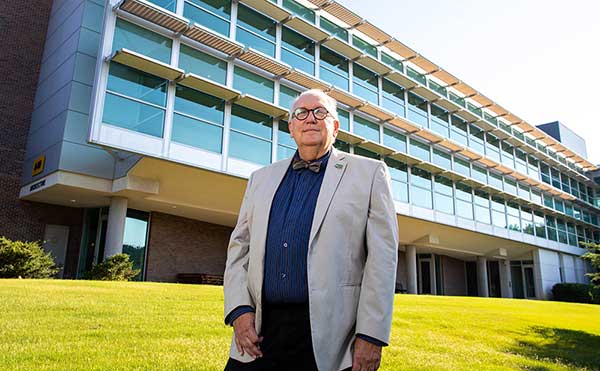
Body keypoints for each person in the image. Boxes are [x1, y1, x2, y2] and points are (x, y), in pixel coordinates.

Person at [223, 89, 398, 371]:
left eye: (320, 112)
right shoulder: (260, 178)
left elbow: (382, 260)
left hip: (333, 338)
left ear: (335, 126)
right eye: (301, 113)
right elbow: (238, 250)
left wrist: (371, 335)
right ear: (291, 127)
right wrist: (239, 311)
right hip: (259, 333)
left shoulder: (370, 174)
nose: (310, 119)